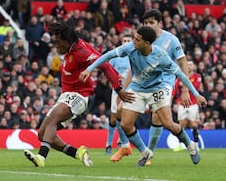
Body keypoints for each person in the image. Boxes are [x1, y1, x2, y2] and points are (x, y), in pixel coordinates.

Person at [80, 26, 207, 166]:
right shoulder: (130, 48)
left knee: (169, 124)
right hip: (137, 88)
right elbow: (108, 55)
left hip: (157, 90)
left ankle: (190, 145)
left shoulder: (161, 56)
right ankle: (145, 152)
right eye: (134, 38)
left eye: (137, 40)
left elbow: (181, 75)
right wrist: (89, 69)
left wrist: (196, 94)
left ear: (147, 43)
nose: (134, 42)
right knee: (125, 124)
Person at [23, 19, 134, 167]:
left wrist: (118, 88)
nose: (57, 46)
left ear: (67, 40)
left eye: (59, 42)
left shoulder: (81, 52)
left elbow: (104, 64)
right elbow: (100, 56)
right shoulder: (76, 45)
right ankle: (78, 153)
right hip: (66, 94)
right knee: (42, 134)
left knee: (53, 119)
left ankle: (41, 158)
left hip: (80, 95)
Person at [142, 9, 192, 165]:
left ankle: (148, 154)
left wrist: (185, 89)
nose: (148, 25)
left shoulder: (171, 40)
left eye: (152, 22)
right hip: (145, 82)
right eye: (146, 23)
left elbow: (183, 62)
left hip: (166, 82)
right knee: (126, 115)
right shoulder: (142, 39)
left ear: (160, 23)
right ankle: (124, 146)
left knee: (158, 115)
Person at [105, 34, 133, 162]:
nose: (126, 42)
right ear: (121, 42)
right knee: (114, 117)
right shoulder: (116, 56)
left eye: (129, 40)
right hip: (117, 90)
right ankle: (109, 144)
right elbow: (108, 72)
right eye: (124, 40)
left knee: (127, 117)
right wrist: (116, 78)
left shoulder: (134, 56)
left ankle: (123, 142)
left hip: (131, 90)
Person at [173, 60, 202, 151]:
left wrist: (184, 84)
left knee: (193, 124)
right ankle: (180, 145)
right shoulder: (180, 76)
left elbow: (196, 87)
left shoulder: (197, 77)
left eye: (190, 64)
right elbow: (175, 90)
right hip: (182, 103)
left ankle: (196, 144)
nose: (189, 66)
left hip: (193, 104)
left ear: (194, 67)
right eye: (187, 64)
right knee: (181, 124)